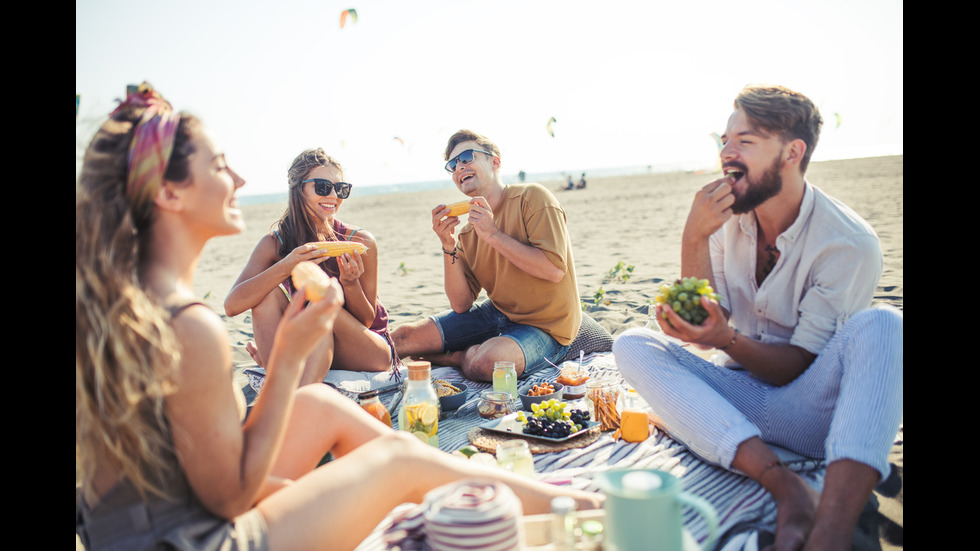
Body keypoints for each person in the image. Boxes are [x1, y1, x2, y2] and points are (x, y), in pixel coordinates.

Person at [76, 84, 601, 551]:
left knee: (323, 406)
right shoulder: (192, 327)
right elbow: (230, 495)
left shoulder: (127, 300)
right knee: (395, 461)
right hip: (186, 537)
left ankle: (526, 495)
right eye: (219, 166)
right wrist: (286, 360)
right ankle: (580, 508)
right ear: (168, 193)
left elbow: (195, 472)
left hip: (138, 520)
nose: (238, 178)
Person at [612, 85, 902, 550]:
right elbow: (707, 325)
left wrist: (727, 339)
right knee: (630, 343)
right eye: (724, 140)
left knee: (885, 324)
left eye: (744, 141)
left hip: (810, 412)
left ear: (792, 151)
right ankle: (789, 490)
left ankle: (830, 534)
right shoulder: (728, 217)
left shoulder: (847, 243)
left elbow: (796, 365)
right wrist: (694, 237)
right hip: (738, 397)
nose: (726, 152)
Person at [392, 130, 582, 382]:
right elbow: (461, 304)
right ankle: (474, 347)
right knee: (401, 338)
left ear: (495, 161)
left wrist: (492, 234)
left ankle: (456, 357)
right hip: (498, 313)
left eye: (467, 157)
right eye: (452, 165)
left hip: (549, 327)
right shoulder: (468, 233)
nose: (459, 167)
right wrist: (448, 244)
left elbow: (553, 270)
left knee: (488, 363)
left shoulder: (533, 198)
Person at [224, 147, 396, 386]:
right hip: (312, 347)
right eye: (323, 187)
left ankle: (298, 398)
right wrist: (287, 265)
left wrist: (350, 283)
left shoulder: (359, 241)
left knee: (320, 309)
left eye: (341, 189)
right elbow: (232, 305)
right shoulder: (274, 244)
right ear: (298, 188)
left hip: (368, 351)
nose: (333, 196)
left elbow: (367, 321)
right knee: (266, 294)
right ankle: (281, 378)